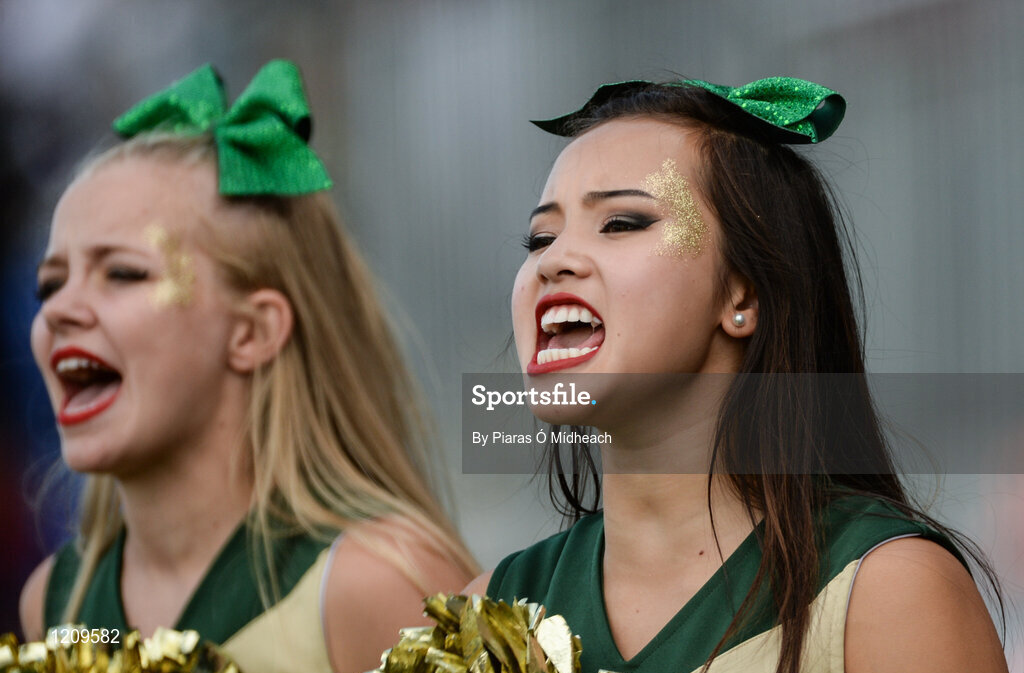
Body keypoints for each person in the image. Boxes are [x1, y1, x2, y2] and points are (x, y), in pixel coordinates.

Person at [466, 77, 1008, 672]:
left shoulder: (885, 590)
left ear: (742, 294)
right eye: (540, 237)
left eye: (620, 223)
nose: (554, 261)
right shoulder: (488, 615)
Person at [18, 60, 477, 673]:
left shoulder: (376, 580)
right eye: (49, 286)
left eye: (122, 273)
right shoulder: (53, 601)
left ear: (254, 331)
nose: (62, 310)